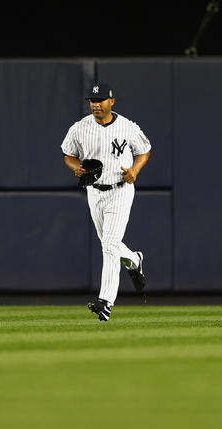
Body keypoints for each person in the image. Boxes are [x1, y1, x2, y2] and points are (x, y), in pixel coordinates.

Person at [61, 83, 151, 321]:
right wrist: (75, 168)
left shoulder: (127, 127)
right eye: (92, 100)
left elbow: (144, 150)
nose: (96, 104)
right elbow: (68, 154)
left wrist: (135, 170)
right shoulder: (80, 128)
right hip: (95, 192)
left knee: (109, 244)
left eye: (100, 100)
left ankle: (105, 302)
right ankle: (134, 260)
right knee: (109, 244)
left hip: (120, 190)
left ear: (112, 102)